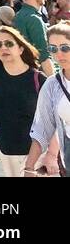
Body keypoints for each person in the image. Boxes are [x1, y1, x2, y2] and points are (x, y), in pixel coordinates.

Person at [0, 23, 42, 177]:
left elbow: (52, 122)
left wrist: (50, 156)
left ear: (21, 48)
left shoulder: (38, 79)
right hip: (7, 153)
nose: (3, 48)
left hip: (37, 155)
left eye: (9, 43)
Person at [23, 21, 70, 176]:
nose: (59, 54)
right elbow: (42, 128)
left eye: (65, 48)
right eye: (52, 49)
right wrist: (29, 167)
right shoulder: (52, 85)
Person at [15, 0, 54, 77]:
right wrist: (56, 84)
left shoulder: (18, 16)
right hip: (38, 75)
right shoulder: (33, 18)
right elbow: (44, 56)